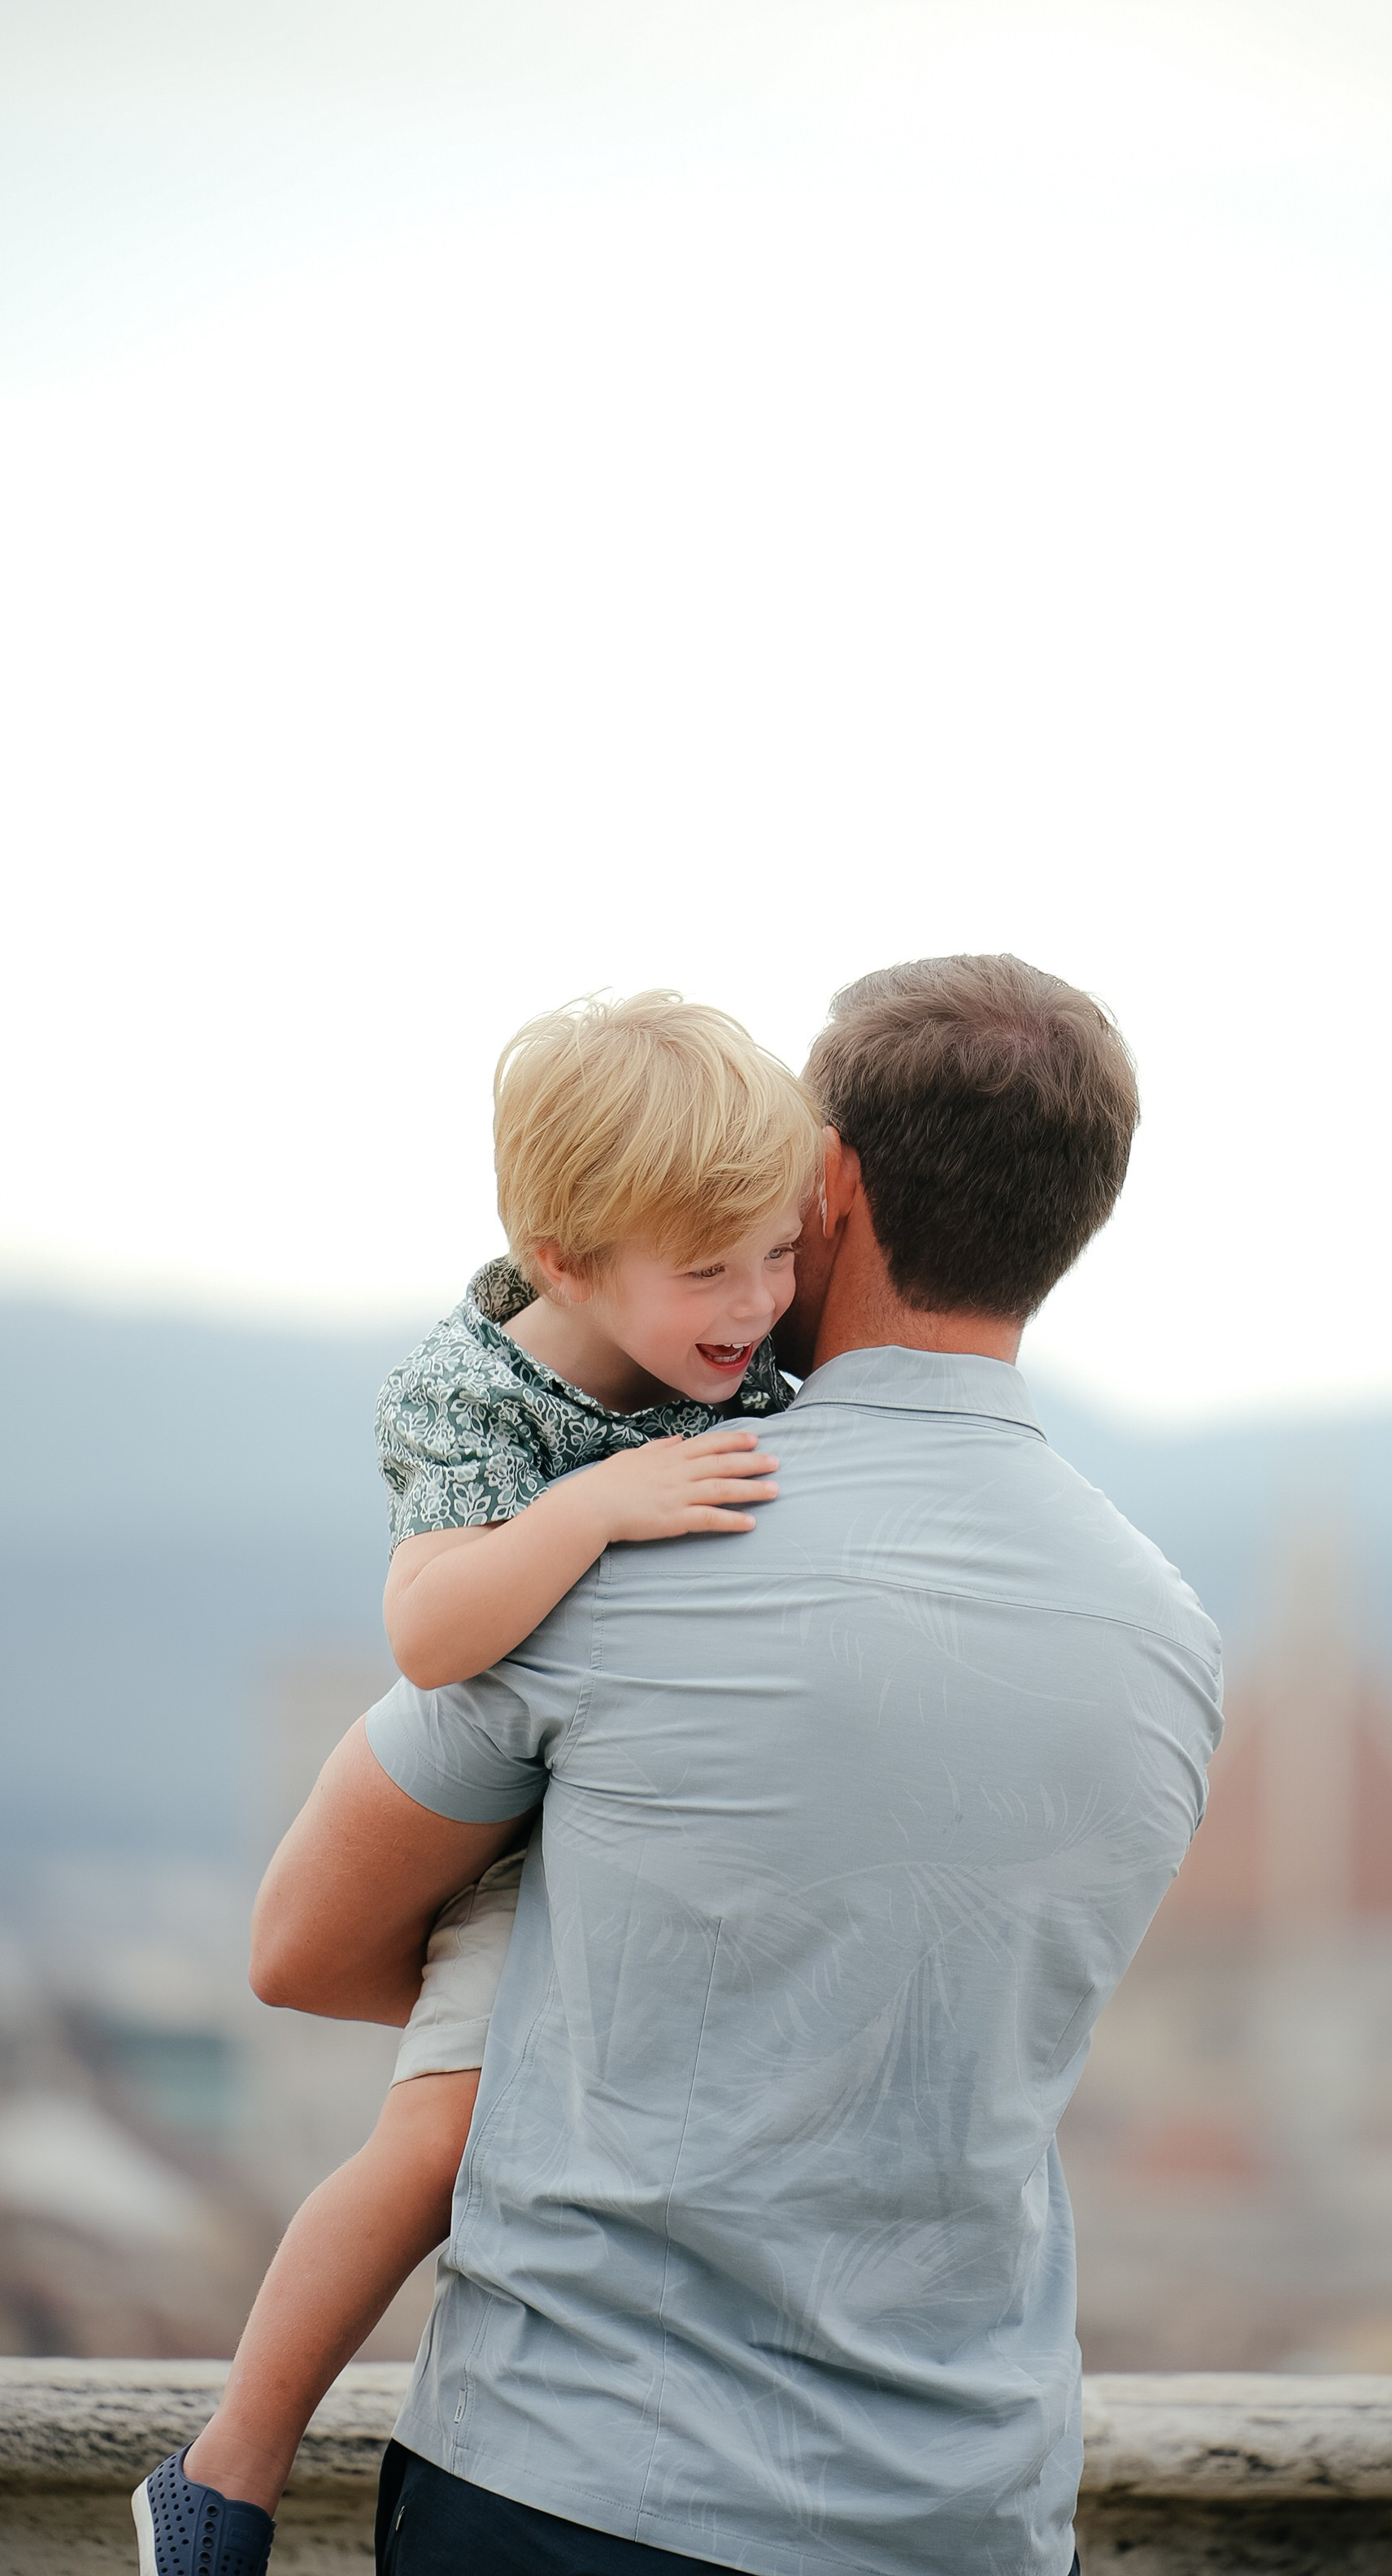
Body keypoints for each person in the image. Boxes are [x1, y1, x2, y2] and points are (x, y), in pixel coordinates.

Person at [246, 956, 1220, 2576]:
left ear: (825, 1179)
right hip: (959, 2513)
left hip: (573, 2482)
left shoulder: (633, 1545)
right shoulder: (1169, 1640)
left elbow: (302, 1944)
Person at [135, 991, 821, 2576]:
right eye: (710, 1269)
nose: (758, 1302)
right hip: (518, 1850)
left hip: (681, 1818)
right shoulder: (473, 1393)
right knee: (434, 2151)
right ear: (571, 1262)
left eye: (777, 1255)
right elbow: (433, 1630)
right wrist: (600, 1510)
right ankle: (226, 2470)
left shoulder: (742, 1346)